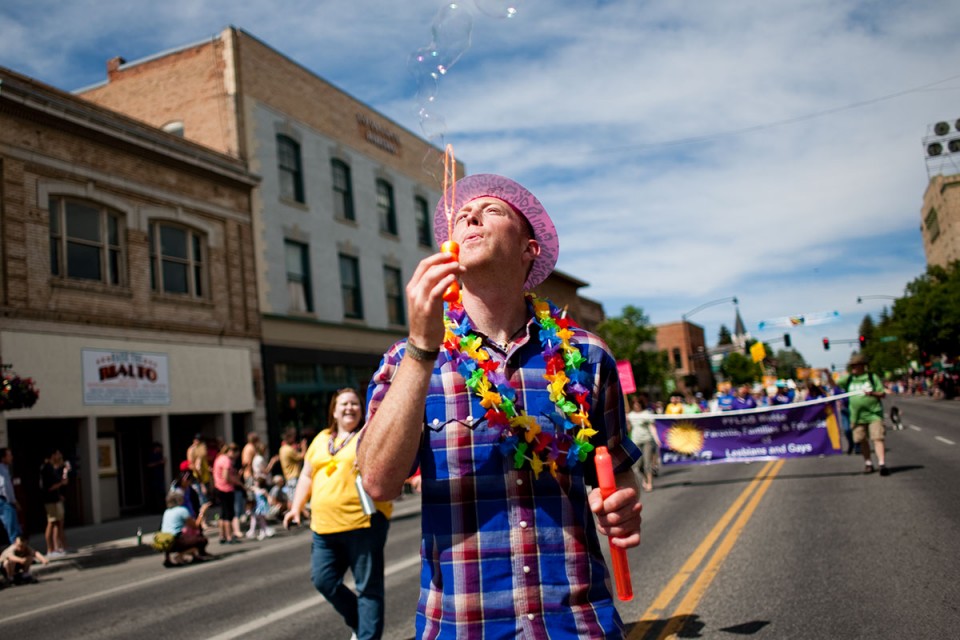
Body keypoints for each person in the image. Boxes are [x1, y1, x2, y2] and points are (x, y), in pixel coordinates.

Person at [356, 174, 642, 638]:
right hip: (464, 626)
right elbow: (377, 484)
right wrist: (421, 348)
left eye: (491, 210)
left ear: (529, 248)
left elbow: (617, 464)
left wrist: (621, 503)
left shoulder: (588, 356)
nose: (468, 215)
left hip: (578, 623)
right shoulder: (410, 360)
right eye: (462, 215)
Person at [284, 388, 392, 640]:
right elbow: (307, 475)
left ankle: (367, 635)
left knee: (368, 588)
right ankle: (362, 621)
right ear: (333, 410)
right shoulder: (321, 439)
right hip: (323, 526)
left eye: (355, 403)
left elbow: (388, 464)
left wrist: (371, 461)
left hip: (364, 523)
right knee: (324, 580)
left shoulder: (368, 435)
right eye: (344, 403)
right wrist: (296, 508)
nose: (349, 408)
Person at [839, 355, 889, 475]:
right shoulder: (849, 379)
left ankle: (882, 463)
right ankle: (868, 463)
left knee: (877, 438)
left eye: (855, 365)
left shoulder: (872, 377)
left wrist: (872, 393)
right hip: (857, 416)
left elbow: (882, 394)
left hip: (873, 413)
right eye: (852, 366)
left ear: (862, 366)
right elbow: (835, 384)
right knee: (862, 440)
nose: (853, 368)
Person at [159, 489, 211, 567]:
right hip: (176, 541)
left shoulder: (167, 511)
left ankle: (169, 558)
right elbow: (195, 525)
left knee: (187, 537)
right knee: (202, 540)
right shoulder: (182, 510)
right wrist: (202, 512)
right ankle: (180, 555)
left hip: (166, 542)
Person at [39, 450, 69, 556]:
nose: (59, 456)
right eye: (57, 454)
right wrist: (61, 483)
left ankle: (56, 548)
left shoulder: (51, 467)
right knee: (51, 523)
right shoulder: (46, 468)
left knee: (56, 523)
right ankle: (50, 549)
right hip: (50, 500)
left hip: (55, 499)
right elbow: (48, 487)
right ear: (52, 455)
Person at [212, 443, 243, 544]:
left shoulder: (219, 458)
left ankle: (222, 535)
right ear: (232, 452)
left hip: (218, 487)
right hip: (226, 489)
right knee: (228, 514)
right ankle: (229, 537)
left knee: (223, 513)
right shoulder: (226, 461)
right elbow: (226, 476)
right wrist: (237, 482)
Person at [627, 397, 657, 492]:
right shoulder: (631, 415)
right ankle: (645, 478)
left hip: (647, 440)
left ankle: (649, 483)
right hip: (636, 441)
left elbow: (652, 427)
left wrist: (657, 439)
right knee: (638, 465)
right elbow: (628, 429)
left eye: (638, 403)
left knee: (647, 463)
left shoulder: (646, 414)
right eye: (635, 404)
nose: (636, 405)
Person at [0, 447, 22, 545]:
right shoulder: (2, 470)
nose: (11, 457)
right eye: (9, 455)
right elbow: (5, 487)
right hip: (6, 502)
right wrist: (13, 501)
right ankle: (17, 554)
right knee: (13, 530)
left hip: (6, 502)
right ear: (3, 458)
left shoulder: (4, 469)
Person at [278, 427, 305, 504]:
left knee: (292, 501)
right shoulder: (288, 450)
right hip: (294, 479)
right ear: (289, 437)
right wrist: (304, 447)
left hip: (289, 479)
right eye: (293, 436)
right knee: (297, 502)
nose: (294, 439)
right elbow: (302, 456)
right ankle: (307, 515)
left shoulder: (282, 449)